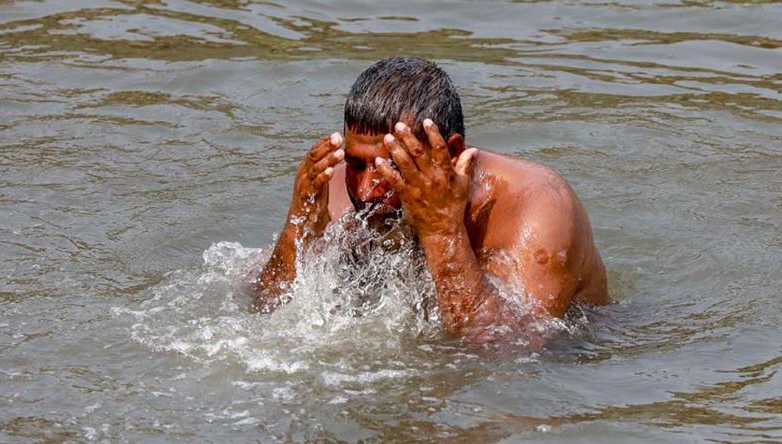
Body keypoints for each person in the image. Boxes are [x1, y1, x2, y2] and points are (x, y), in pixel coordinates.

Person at [253, 57, 608, 342]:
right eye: (357, 163)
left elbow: (506, 349)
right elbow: (268, 308)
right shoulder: (335, 180)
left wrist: (441, 230)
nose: (364, 190)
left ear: (450, 152)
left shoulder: (537, 204)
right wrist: (296, 230)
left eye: (392, 166)